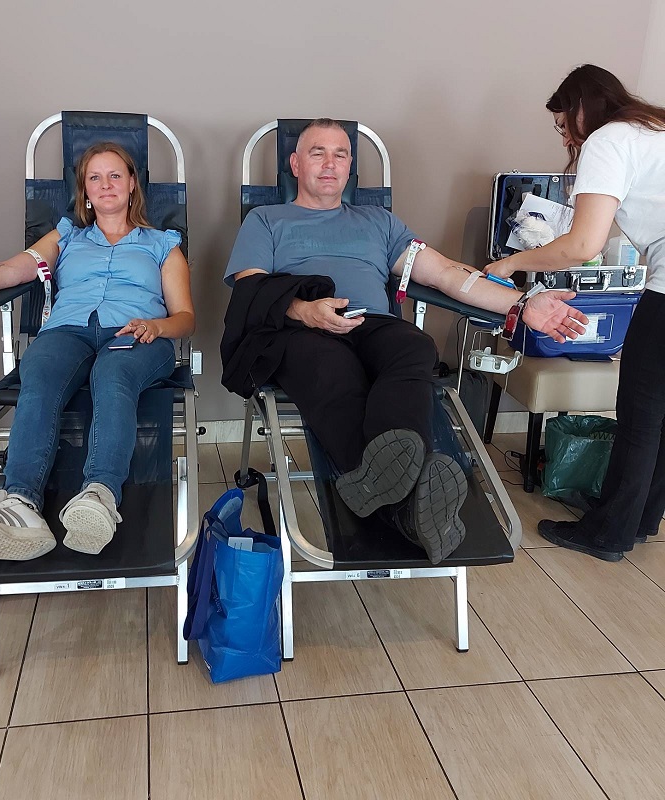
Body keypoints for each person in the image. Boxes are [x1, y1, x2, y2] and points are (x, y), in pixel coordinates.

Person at [223, 118, 587, 564]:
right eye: (318, 153)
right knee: (333, 369)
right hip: (302, 329)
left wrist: (523, 303)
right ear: (295, 165)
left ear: (350, 168)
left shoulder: (379, 222)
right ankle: (411, 507)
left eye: (340, 155)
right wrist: (303, 310)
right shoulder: (266, 220)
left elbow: (448, 274)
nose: (330, 164)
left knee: (415, 346)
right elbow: (250, 289)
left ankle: (374, 481)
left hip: (372, 322)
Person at [0, 141, 195, 561]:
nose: (105, 184)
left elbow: (185, 317)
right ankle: (19, 504)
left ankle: (99, 497)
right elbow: (8, 271)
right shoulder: (66, 236)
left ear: (132, 183)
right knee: (41, 372)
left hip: (139, 337)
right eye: (95, 177)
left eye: (115, 175)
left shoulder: (162, 244)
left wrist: (155, 326)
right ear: (84, 189)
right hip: (67, 332)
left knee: (113, 373)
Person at [485, 65, 665, 562]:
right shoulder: (653, 129)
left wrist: (512, 263)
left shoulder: (609, 140)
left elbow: (583, 245)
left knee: (642, 414)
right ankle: (639, 517)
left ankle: (608, 533)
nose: (566, 136)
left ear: (582, 106)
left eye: (564, 124)